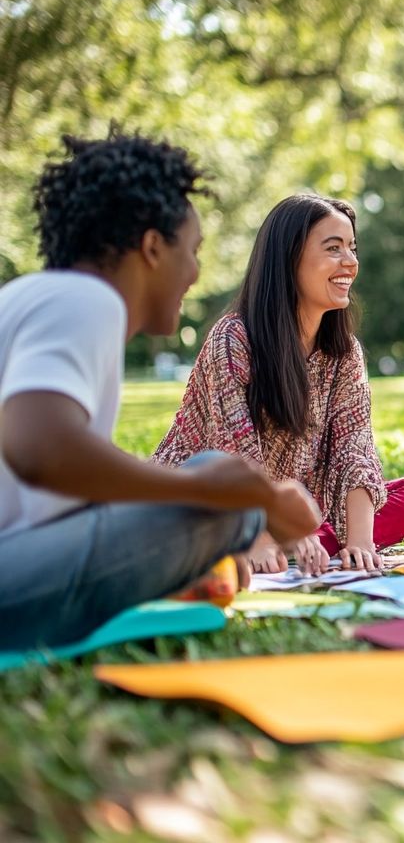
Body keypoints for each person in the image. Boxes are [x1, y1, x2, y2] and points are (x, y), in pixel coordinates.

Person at [0, 130, 321, 652]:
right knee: (226, 502)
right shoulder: (87, 301)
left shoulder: (28, 295)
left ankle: (189, 567)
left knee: (213, 480)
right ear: (152, 247)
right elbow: (39, 447)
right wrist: (243, 497)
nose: (194, 272)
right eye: (191, 250)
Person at [153, 194, 404, 574]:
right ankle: (268, 544)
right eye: (333, 248)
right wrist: (260, 536)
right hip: (208, 507)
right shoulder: (233, 339)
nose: (350, 262)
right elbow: (233, 453)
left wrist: (361, 544)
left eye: (352, 248)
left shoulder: (343, 352)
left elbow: (354, 448)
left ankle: (301, 544)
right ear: (289, 258)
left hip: (293, 519)